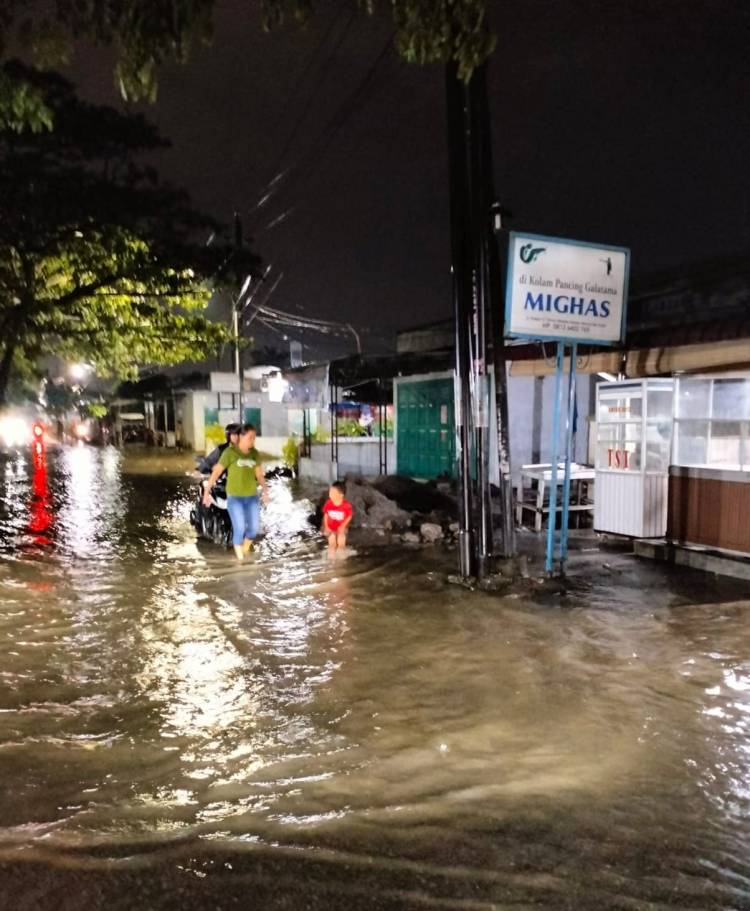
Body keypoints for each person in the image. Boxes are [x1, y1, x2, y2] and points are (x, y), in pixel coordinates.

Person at [203, 423, 268, 561]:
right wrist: (207, 490)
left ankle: (243, 552)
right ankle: (240, 563)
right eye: (250, 437)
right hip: (233, 496)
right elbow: (214, 471)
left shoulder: (254, 454)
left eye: (254, 438)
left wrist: (265, 490)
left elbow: (259, 474)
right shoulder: (226, 451)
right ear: (240, 437)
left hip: (251, 496)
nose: (253, 440)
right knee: (239, 528)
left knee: (253, 529)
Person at [322, 481, 353, 556]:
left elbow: (349, 516)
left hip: (341, 528)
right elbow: (326, 515)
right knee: (331, 544)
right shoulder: (328, 503)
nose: (330, 494)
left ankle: (341, 559)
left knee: (341, 543)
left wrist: (343, 526)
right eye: (330, 492)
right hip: (331, 528)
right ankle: (331, 559)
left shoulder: (346, 505)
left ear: (341, 495)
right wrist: (326, 527)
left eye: (333, 493)